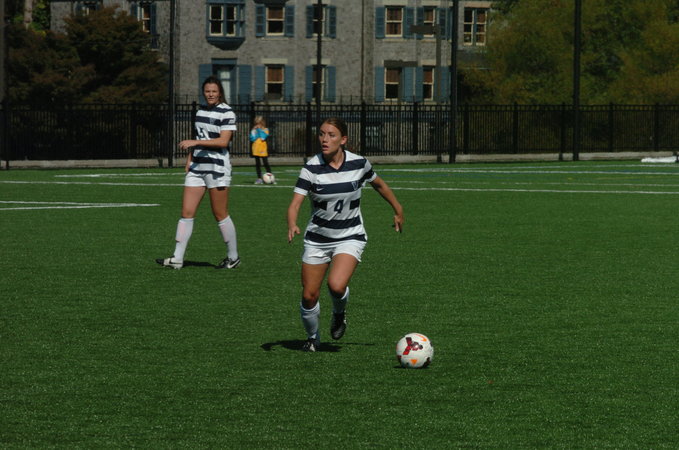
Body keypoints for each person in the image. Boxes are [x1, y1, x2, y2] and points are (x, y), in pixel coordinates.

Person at [286, 117, 404, 352]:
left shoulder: (359, 163)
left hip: (350, 235)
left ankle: (339, 313)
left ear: (343, 140)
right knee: (309, 296)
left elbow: (379, 185)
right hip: (317, 239)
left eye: (331, 135)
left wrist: (398, 209)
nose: (324, 139)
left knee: (336, 286)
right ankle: (312, 338)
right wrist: (292, 223)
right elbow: (295, 203)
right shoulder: (311, 168)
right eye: (321, 134)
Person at [156, 76, 240, 270]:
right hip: (197, 167)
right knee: (186, 212)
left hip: (217, 168)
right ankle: (177, 258)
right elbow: (200, 135)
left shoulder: (227, 112)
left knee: (220, 213)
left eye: (214, 91)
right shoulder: (201, 111)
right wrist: (190, 158)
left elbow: (223, 141)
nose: (210, 94)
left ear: (220, 92)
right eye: (207, 91)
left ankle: (233, 257)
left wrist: (195, 143)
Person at [250, 115, 273, 184]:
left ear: (262, 123)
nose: (257, 125)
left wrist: (259, 130)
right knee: (258, 164)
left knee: (265, 162)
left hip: (262, 149)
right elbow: (252, 138)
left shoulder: (266, 130)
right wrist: (254, 131)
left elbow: (263, 137)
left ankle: (270, 177)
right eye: (256, 123)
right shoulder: (254, 130)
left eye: (259, 123)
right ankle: (259, 178)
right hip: (256, 148)